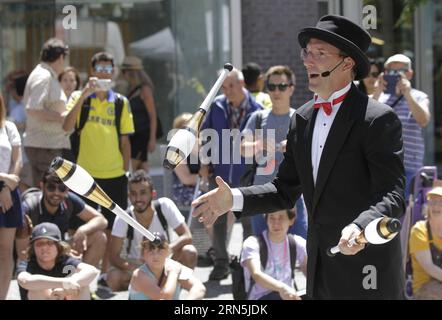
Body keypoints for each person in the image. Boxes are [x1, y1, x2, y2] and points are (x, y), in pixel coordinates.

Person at [192, 15, 406, 299]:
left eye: (319, 53)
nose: (307, 61)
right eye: (307, 52)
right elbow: (284, 190)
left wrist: (360, 226)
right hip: (320, 267)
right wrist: (233, 198)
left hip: (368, 268)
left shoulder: (377, 118)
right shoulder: (302, 118)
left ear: (347, 63)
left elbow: (393, 194)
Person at [63, 51, 135, 284]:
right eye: (99, 69)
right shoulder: (80, 97)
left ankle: (103, 275)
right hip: (85, 176)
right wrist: (84, 93)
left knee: (113, 229)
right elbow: (66, 126)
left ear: (113, 72)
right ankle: (77, 274)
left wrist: (126, 171)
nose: (104, 73)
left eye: (107, 69)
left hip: (115, 175)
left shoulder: (121, 102)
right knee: (80, 227)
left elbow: (125, 141)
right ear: (92, 71)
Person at [199, 67, 263, 281]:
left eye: (231, 85)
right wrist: (204, 165)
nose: (227, 91)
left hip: (247, 174)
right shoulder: (216, 106)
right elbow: (206, 137)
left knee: (247, 221)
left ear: (242, 84)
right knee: (217, 218)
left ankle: (247, 264)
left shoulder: (257, 109)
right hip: (220, 172)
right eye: (223, 87)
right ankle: (221, 263)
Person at [241, 65, 308, 239]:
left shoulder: (300, 119)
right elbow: (242, 149)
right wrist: (258, 144)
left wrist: (294, 147)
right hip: (261, 193)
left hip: (293, 194)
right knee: (261, 248)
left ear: (291, 89)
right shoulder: (257, 118)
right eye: (272, 87)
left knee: (301, 247)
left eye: (282, 86)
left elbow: (313, 154)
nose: (277, 91)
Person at [108, 170, 197, 291]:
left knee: (189, 251)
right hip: (139, 266)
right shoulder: (123, 217)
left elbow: (187, 236)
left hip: (166, 262)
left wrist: (165, 251)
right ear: (129, 196)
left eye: (143, 193)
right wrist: (137, 269)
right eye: (133, 193)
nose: (138, 198)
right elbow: (113, 257)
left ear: (153, 194)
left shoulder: (165, 205)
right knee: (113, 278)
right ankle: (144, 291)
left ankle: (174, 290)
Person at [17, 168, 107, 268]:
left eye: (62, 188)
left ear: (68, 189)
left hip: (60, 249)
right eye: (51, 187)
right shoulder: (29, 207)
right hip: (38, 252)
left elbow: (102, 220)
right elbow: (23, 252)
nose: (56, 193)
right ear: (42, 186)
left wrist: (82, 231)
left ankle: (81, 278)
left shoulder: (69, 201)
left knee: (99, 237)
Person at [373, 53, 430, 200]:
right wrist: (377, 91)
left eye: (401, 71)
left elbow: (423, 120)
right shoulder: (378, 99)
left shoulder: (419, 96)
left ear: (410, 74)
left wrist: (407, 94)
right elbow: (363, 123)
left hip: (410, 167)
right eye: (392, 72)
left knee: (407, 215)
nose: (397, 75)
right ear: (385, 74)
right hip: (383, 166)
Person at [23, 38, 70, 186]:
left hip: (47, 145)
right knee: (47, 191)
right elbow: (32, 108)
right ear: (61, 57)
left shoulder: (44, 74)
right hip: (44, 147)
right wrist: (60, 117)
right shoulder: (43, 76)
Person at [17, 222, 98, 300]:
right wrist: (65, 283)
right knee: (36, 289)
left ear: (58, 246)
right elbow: (25, 281)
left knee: (82, 285)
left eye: (49, 243)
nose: (44, 247)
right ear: (33, 248)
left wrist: (65, 289)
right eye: (40, 243)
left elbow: (91, 270)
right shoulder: (27, 265)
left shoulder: (65, 261)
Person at [242, 209, 307, 300]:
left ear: (291, 220)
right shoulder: (252, 243)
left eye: (281, 218)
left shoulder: (297, 243)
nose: (276, 223)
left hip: (287, 296)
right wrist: (282, 288)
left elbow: (307, 269)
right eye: (272, 218)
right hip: (260, 298)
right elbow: (256, 274)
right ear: (266, 220)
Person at [128, 232, 205, 300]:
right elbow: (164, 297)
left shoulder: (173, 265)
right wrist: (173, 273)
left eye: (160, 250)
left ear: (167, 252)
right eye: (150, 251)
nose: (156, 255)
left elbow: (199, 288)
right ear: (143, 254)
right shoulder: (139, 275)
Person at [0, 93, 23, 299]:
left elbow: (18, 161)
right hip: (3, 187)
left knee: (6, 252)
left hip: (9, 194)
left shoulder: (9, 127)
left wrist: (7, 186)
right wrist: (3, 181)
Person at [120, 56, 158, 172]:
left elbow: (152, 115)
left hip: (141, 136)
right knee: (141, 168)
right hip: (133, 134)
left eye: (124, 72)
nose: (122, 75)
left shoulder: (144, 90)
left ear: (131, 73)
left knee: (133, 167)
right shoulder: (131, 89)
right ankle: (149, 189)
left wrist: (152, 139)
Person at [409, 184, 442, 299]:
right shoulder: (420, 230)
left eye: (440, 202)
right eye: (432, 202)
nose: (436, 206)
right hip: (423, 289)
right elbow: (429, 266)